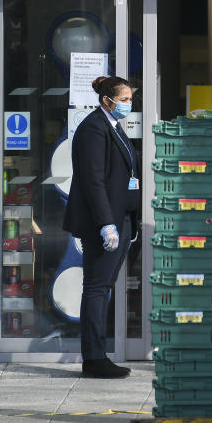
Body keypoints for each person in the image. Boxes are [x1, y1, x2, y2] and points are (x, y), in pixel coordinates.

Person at [63, 75, 139, 378]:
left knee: (102, 286)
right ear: (107, 101)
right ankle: (94, 358)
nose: (128, 104)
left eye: (130, 99)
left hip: (121, 217)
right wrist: (107, 224)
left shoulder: (112, 126)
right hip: (103, 221)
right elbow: (94, 181)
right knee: (96, 287)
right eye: (123, 99)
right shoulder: (94, 128)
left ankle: (97, 354)